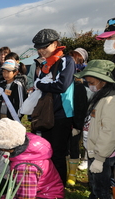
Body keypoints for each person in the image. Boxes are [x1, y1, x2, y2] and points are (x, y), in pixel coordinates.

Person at [32, 28, 76, 185]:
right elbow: (41, 84)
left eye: (44, 46)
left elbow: (61, 85)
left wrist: (40, 84)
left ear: (56, 43)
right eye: (38, 47)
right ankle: (48, 183)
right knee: (45, 151)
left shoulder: (67, 61)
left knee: (58, 153)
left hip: (62, 114)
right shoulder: (45, 64)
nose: (41, 50)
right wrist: (40, 83)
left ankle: (59, 186)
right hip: (46, 113)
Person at [0, 118, 64, 199]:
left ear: (4, 146)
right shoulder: (28, 143)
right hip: (49, 192)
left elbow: (26, 197)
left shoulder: (25, 168)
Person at [74, 60, 115, 199]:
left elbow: (109, 132)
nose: (89, 86)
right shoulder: (99, 95)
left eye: (91, 82)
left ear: (103, 81)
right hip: (94, 151)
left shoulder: (110, 100)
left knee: (101, 190)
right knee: (94, 186)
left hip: (103, 155)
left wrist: (100, 158)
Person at [66, 48, 89, 186]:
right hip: (63, 119)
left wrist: (77, 125)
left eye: (75, 59)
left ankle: (72, 174)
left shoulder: (79, 82)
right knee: (64, 147)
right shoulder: (64, 79)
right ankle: (65, 171)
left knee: (74, 145)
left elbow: (81, 105)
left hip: (76, 120)